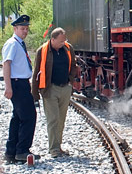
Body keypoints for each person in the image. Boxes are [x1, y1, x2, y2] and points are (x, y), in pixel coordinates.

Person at [32, 27, 77, 157]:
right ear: (53, 39)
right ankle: (53, 149)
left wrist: (70, 81)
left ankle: (58, 146)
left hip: (65, 88)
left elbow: (73, 65)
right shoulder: (42, 51)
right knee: (53, 119)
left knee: (61, 120)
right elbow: (36, 72)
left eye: (65, 40)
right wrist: (34, 93)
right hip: (50, 89)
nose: (64, 43)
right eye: (61, 41)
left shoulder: (69, 49)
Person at [2, 15, 38, 163]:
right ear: (15, 29)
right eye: (22, 29)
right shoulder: (12, 44)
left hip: (22, 83)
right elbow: (7, 64)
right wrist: (8, 87)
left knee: (17, 118)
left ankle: (11, 152)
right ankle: (22, 150)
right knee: (29, 117)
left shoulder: (19, 44)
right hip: (17, 84)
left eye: (26, 29)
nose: (25, 31)